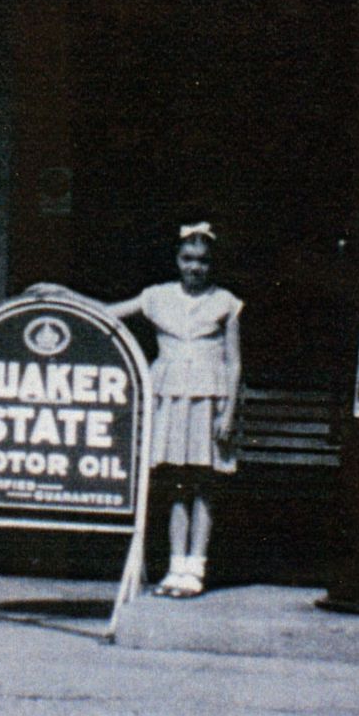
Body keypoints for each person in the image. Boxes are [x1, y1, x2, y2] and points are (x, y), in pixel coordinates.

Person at [109, 223, 242, 599]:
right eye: (187, 259)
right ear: (177, 260)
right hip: (171, 397)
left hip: (209, 400)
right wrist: (59, 294)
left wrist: (228, 412)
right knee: (177, 484)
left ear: (212, 264)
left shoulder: (226, 303)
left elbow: (233, 363)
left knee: (204, 484)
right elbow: (108, 313)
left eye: (203, 261)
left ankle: (195, 568)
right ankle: (175, 567)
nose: (194, 267)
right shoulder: (157, 297)